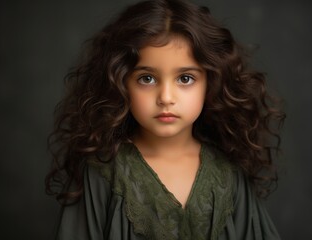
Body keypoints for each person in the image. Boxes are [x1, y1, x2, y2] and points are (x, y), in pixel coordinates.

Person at [46, 0, 285, 239]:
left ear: (211, 83)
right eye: (147, 79)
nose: (166, 98)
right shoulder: (102, 172)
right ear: (120, 84)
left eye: (185, 78)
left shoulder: (229, 173)